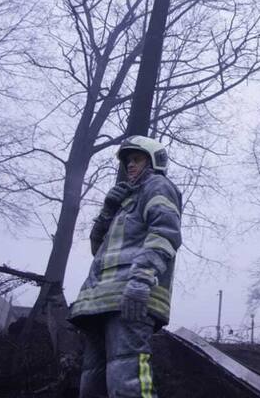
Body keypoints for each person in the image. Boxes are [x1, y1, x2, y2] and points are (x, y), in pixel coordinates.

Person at [70, 135, 182, 398]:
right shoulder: (124, 202)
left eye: (137, 159)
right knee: (92, 389)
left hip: (130, 298)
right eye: (127, 161)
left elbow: (165, 234)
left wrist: (141, 280)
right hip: (100, 302)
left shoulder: (158, 186)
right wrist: (108, 210)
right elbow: (98, 250)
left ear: (154, 161)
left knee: (128, 383)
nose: (130, 165)